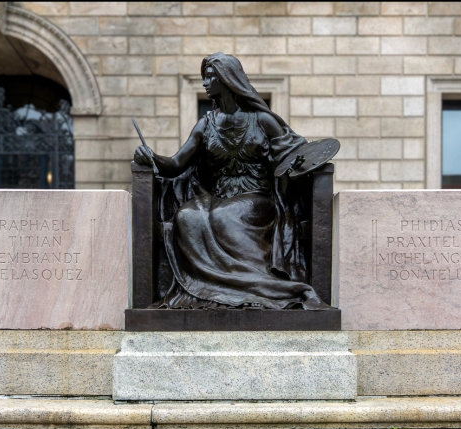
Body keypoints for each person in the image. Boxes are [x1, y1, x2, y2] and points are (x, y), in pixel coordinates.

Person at [134, 52, 329, 310]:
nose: (205, 83)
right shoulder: (205, 125)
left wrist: (305, 163)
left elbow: (294, 155)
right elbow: (177, 163)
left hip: (257, 199)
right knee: (186, 216)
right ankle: (210, 289)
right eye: (205, 77)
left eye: (210, 77)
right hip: (217, 197)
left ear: (227, 80)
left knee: (225, 215)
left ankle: (256, 285)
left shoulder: (263, 120)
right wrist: (152, 158)